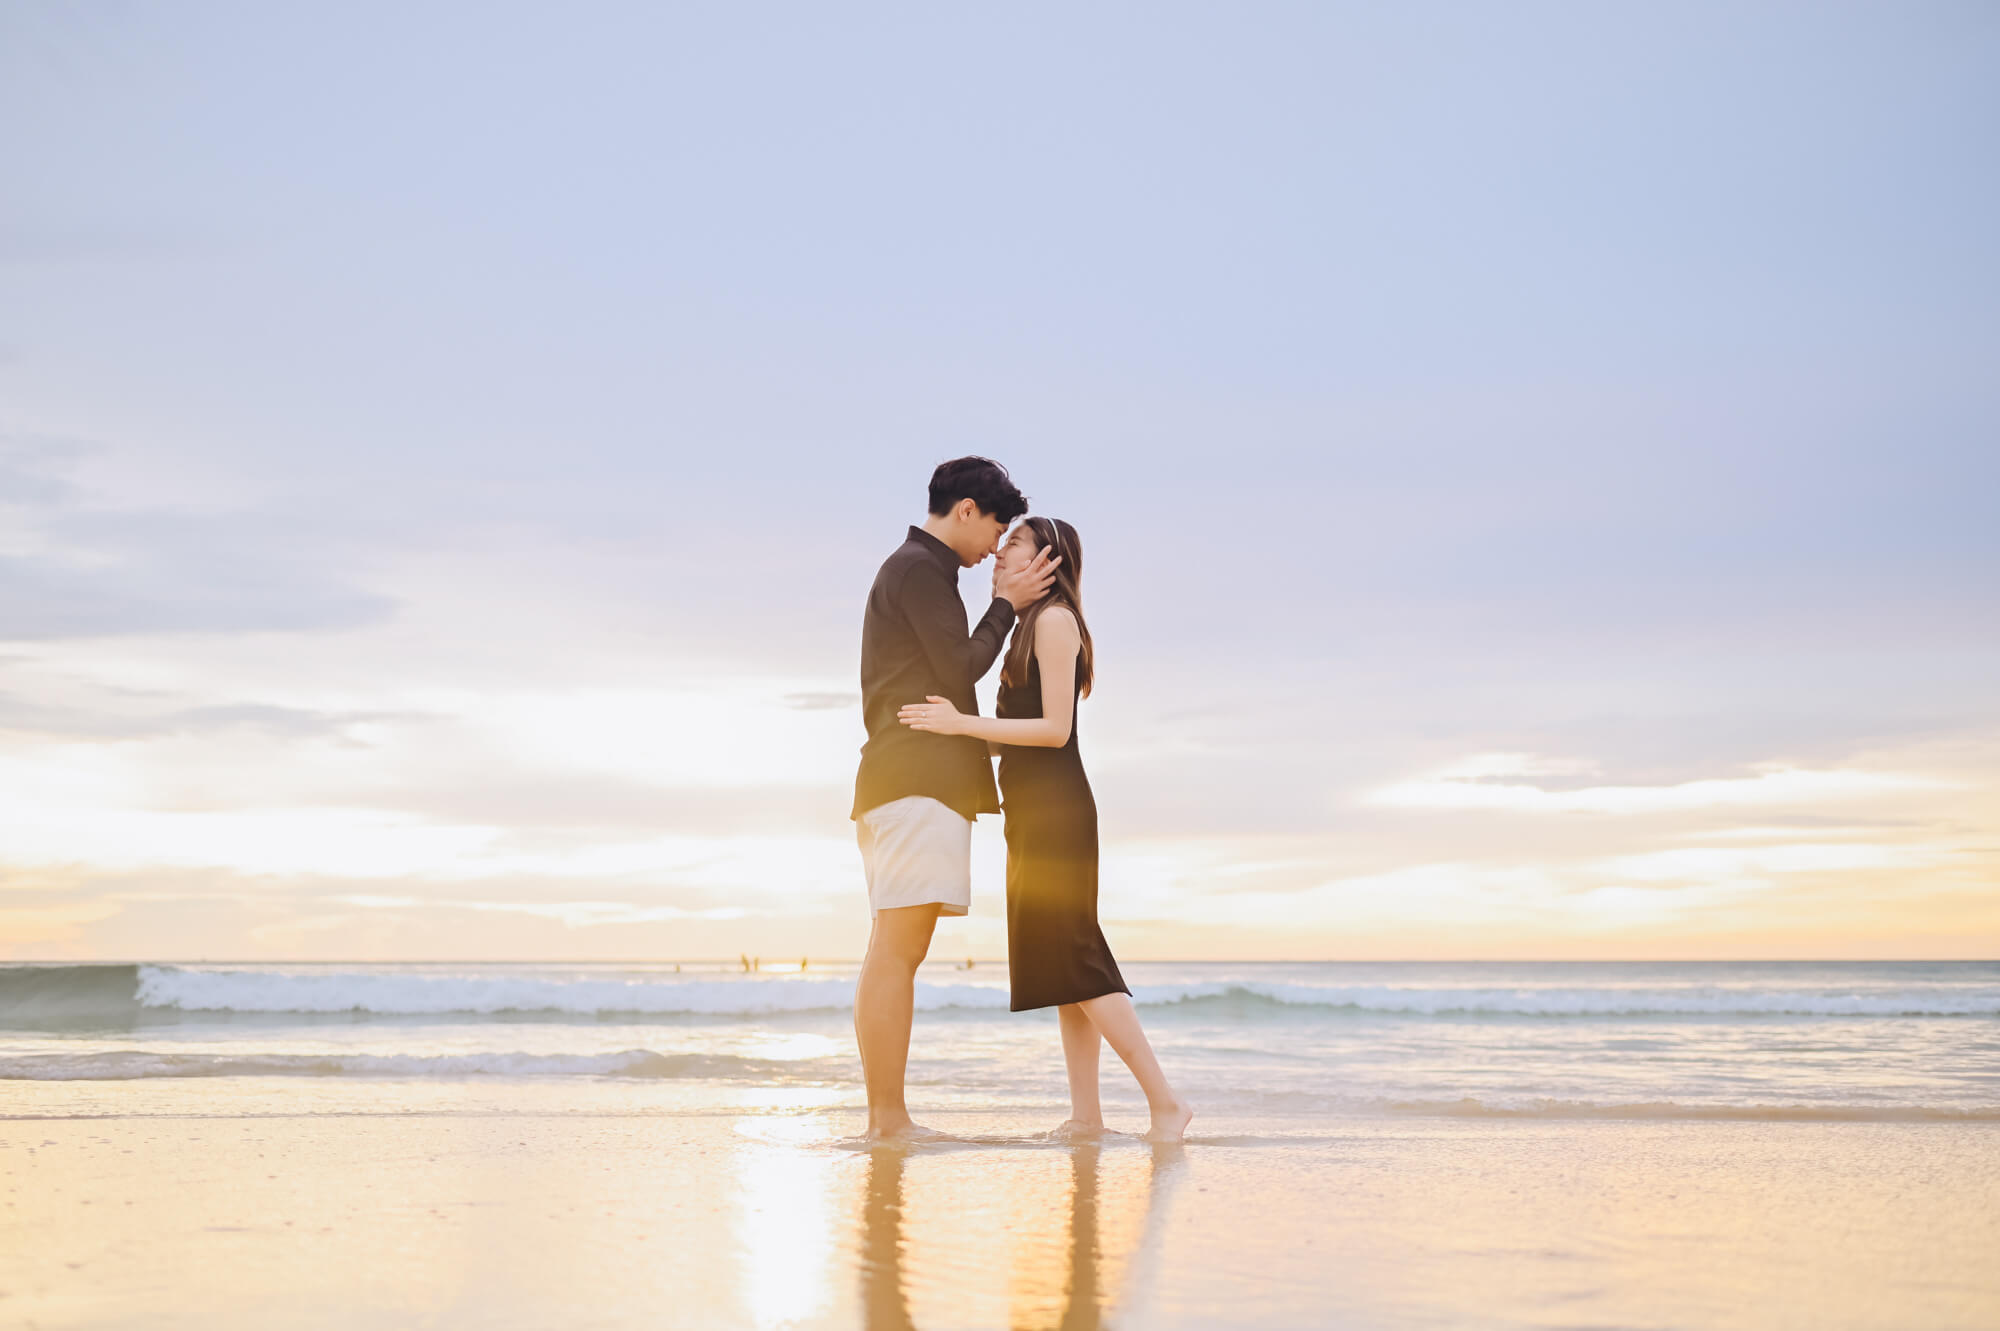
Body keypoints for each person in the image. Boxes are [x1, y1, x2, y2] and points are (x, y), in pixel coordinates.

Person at [899, 516, 1192, 1144]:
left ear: (1048, 563)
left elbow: (1056, 732)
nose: (1000, 554)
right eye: (1003, 545)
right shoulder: (1026, 629)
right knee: (1065, 968)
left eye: (1015, 546)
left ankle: (1166, 1103)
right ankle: (1087, 1116)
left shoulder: (1055, 623)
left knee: (1078, 958)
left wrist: (962, 727)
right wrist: (950, 739)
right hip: (1032, 809)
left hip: (1058, 811)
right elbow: (1025, 740)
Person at [851, 457, 1060, 1142]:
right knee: (896, 953)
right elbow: (961, 667)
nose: (998, 547)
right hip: (913, 783)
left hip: (901, 782)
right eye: (997, 527)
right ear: (966, 509)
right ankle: (889, 1120)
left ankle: (888, 1117)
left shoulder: (920, 573)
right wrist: (1012, 605)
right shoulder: (918, 570)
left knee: (891, 948)